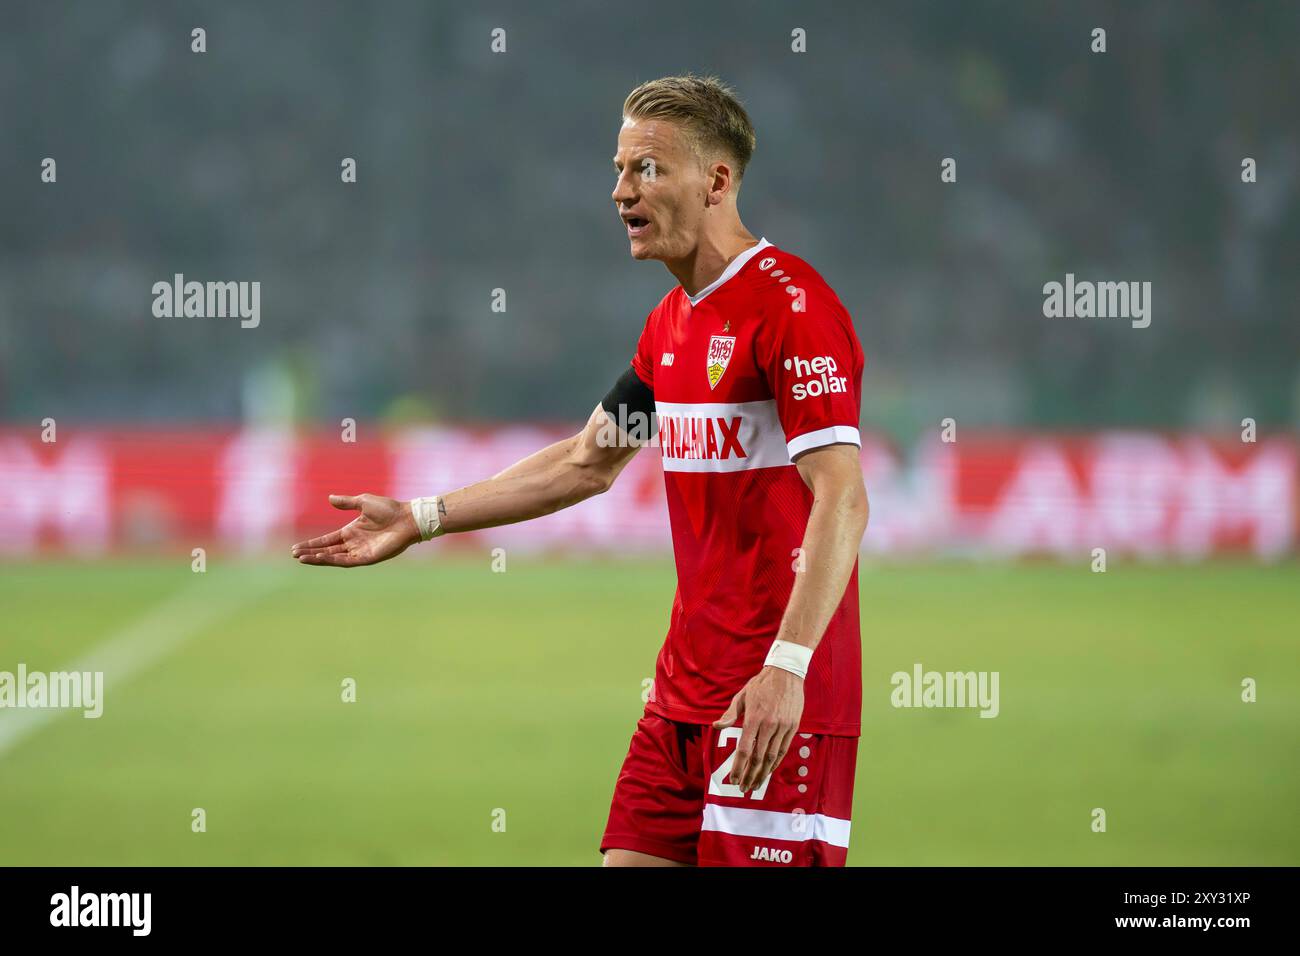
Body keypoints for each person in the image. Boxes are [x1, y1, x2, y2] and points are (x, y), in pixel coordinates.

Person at [291, 74, 869, 867]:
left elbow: (843, 499)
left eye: (647, 170)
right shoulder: (669, 327)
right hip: (678, 706)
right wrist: (423, 517)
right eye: (619, 169)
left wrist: (786, 668)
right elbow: (585, 463)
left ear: (718, 181)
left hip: (771, 701)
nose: (620, 191)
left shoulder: (793, 310)